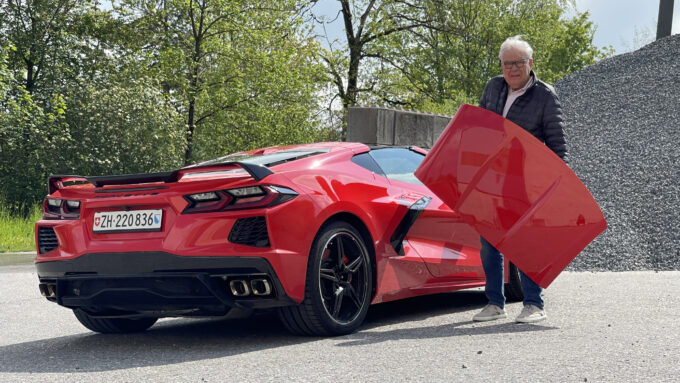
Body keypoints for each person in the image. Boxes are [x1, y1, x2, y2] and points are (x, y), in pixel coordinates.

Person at [473, 35, 568, 324]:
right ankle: (494, 303)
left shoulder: (545, 95)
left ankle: (533, 304)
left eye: (518, 63)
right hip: (493, 180)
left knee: (525, 243)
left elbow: (557, 143)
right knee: (489, 242)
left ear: (530, 63)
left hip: (528, 182)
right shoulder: (493, 87)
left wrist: (556, 187)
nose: (512, 69)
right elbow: (478, 127)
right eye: (507, 63)